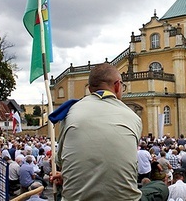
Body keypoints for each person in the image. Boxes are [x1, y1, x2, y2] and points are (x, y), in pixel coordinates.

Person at [56, 63, 142, 200]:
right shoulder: (133, 117)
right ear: (118, 85)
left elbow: (60, 161)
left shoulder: (70, 112)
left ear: (90, 89)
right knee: (158, 188)